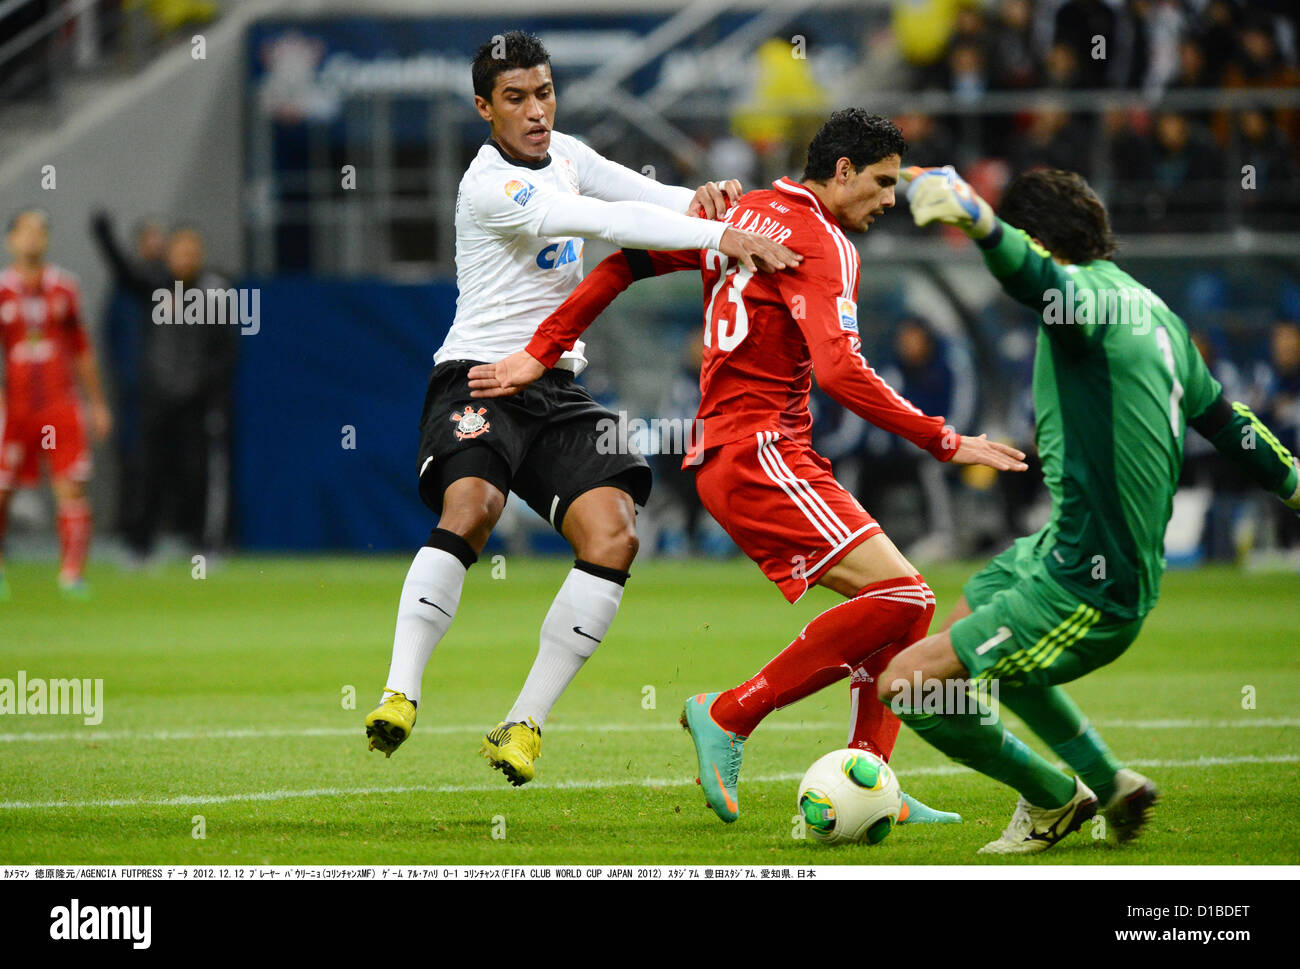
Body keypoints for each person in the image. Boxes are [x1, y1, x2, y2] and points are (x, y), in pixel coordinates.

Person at [468, 110, 1026, 823]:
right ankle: (730, 713)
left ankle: (871, 776)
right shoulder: (824, 241)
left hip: (743, 452)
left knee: (897, 607)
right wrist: (946, 439)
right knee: (911, 602)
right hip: (760, 449)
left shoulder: (744, 214)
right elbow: (842, 371)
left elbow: (626, 262)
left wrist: (542, 348)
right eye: (883, 182)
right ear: (843, 171)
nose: (891, 201)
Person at [363, 31, 798, 785]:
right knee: (473, 503)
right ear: (483, 108)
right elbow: (607, 224)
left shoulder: (565, 152)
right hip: (480, 374)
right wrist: (717, 235)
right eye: (516, 98)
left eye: (545, 92)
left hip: (556, 386)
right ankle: (401, 690)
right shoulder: (491, 187)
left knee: (616, 533)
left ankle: (524, 721)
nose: (536, 110)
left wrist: (708, 201)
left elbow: (641, 194)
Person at [875, 164, 1300, 854]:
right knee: (971, 623)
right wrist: (1293, 484)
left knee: (908, 683)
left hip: (1089, 583)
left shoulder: (1084, 305)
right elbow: (1228, 423)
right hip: (1056, 550)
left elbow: (1036, 281)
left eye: (1022, 235)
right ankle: (1112, 784)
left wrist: (977, 217)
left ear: (1039, 240)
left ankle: (1053, 796)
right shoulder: (1155, 312)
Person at [0, 209, 112, 599]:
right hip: (14, 407)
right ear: (10, 239)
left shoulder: (65, 287)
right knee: (2, 489)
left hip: (59, 405)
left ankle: (71, 573)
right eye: (25, 231)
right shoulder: (2, 290)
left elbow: (81, 348)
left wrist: (97, 404)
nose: (33, 238)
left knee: (72, 486)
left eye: (40, 231)